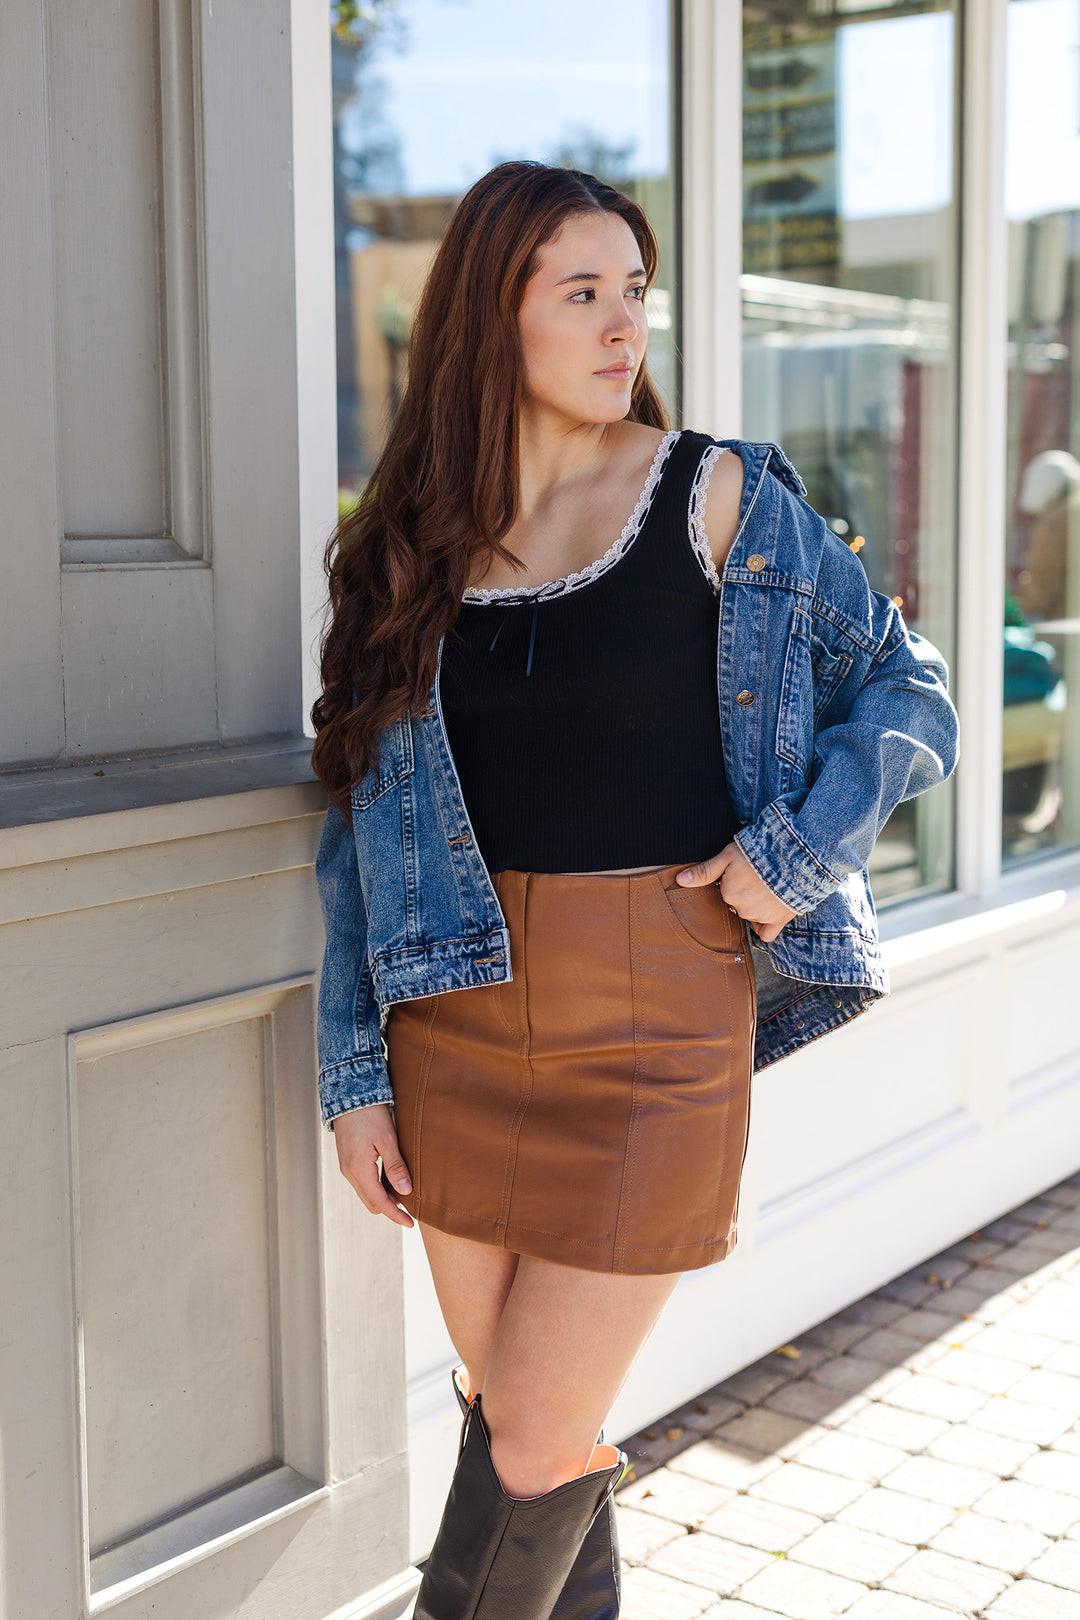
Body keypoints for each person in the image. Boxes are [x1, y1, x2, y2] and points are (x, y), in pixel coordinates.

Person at [309, 161, 959, 1620]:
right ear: (495, 319)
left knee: (534, 1436)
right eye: (582, 294)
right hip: (450, 1013)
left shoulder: (716, 495)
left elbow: (910, 691)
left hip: (658, 1017)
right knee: (522, 1443)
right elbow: (358, 827)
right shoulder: (405, 554)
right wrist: (356, 1076)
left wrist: (793, 858)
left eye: (635, 292)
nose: (624, 328)